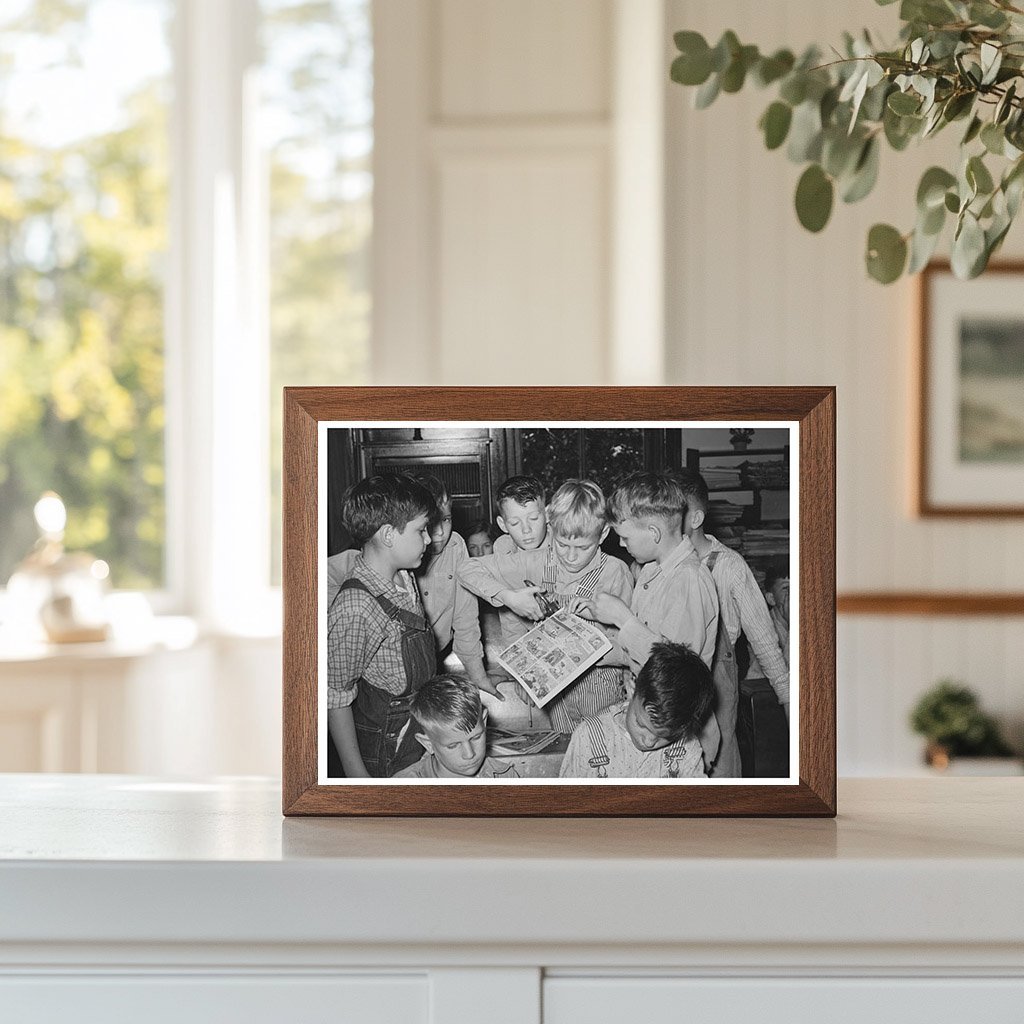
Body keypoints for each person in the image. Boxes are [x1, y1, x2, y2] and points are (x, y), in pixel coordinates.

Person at [574, 472, 722, 773]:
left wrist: (622, 618)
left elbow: (677, 673)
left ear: (654, 532)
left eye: (625, 537)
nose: (621, 543)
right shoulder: (653, 572)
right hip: (646, 714)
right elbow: (644, 649)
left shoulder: (688, 580)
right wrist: (593, 648)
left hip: (671, 732)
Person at [458, 479, 632, 733]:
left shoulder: (616, 572)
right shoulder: (537, 560)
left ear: (603, 533)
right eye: (562, 545)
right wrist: (509, 597)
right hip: (555, 692)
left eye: (582, 547)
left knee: (601, 749)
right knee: (566, 747)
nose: (571, 557)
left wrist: (590, 651)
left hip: (600, 686)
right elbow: (466, 569)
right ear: (552, 527)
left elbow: (629, 644)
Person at [328, 476, 502, 702]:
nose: (438, 534)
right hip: (386, 684)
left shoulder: (452, 547)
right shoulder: (383, 561)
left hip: (428, 665)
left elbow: (465, 618)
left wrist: (478, 676)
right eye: (428, 525)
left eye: (446, 519)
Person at [326, 474, 436, 778]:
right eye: (421, 530)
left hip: (415, 729)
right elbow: (335, 695)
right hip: (384, 749)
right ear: (388, 535)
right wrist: (355, 772)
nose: (429, 539)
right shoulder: (356, 607)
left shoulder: (404, 577)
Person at [675, 470, 791, 744]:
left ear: (695, 519)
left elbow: (765, 642)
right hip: (673, 684)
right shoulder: (658, 565)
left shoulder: (730, 567)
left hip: (716, 689)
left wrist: (787, 700)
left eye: (671, 511)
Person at [558, 642, 714, 779]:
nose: (648, 742)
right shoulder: (589, 737)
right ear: (631, 689)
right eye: (641, 725)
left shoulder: (686, 747)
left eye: (665, 736)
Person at [392, 673, 515, 779]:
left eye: (476, 737)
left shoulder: (506, 776)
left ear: (484, 721)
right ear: (428, 744)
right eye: (453, 745)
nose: (469, 754)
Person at [492, 475, 549, 555]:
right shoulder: (503, 550)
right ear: (502, 525)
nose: (526, 530)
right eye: (514, 523)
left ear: (547, 514)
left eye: (534, 518)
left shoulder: (565, 545)